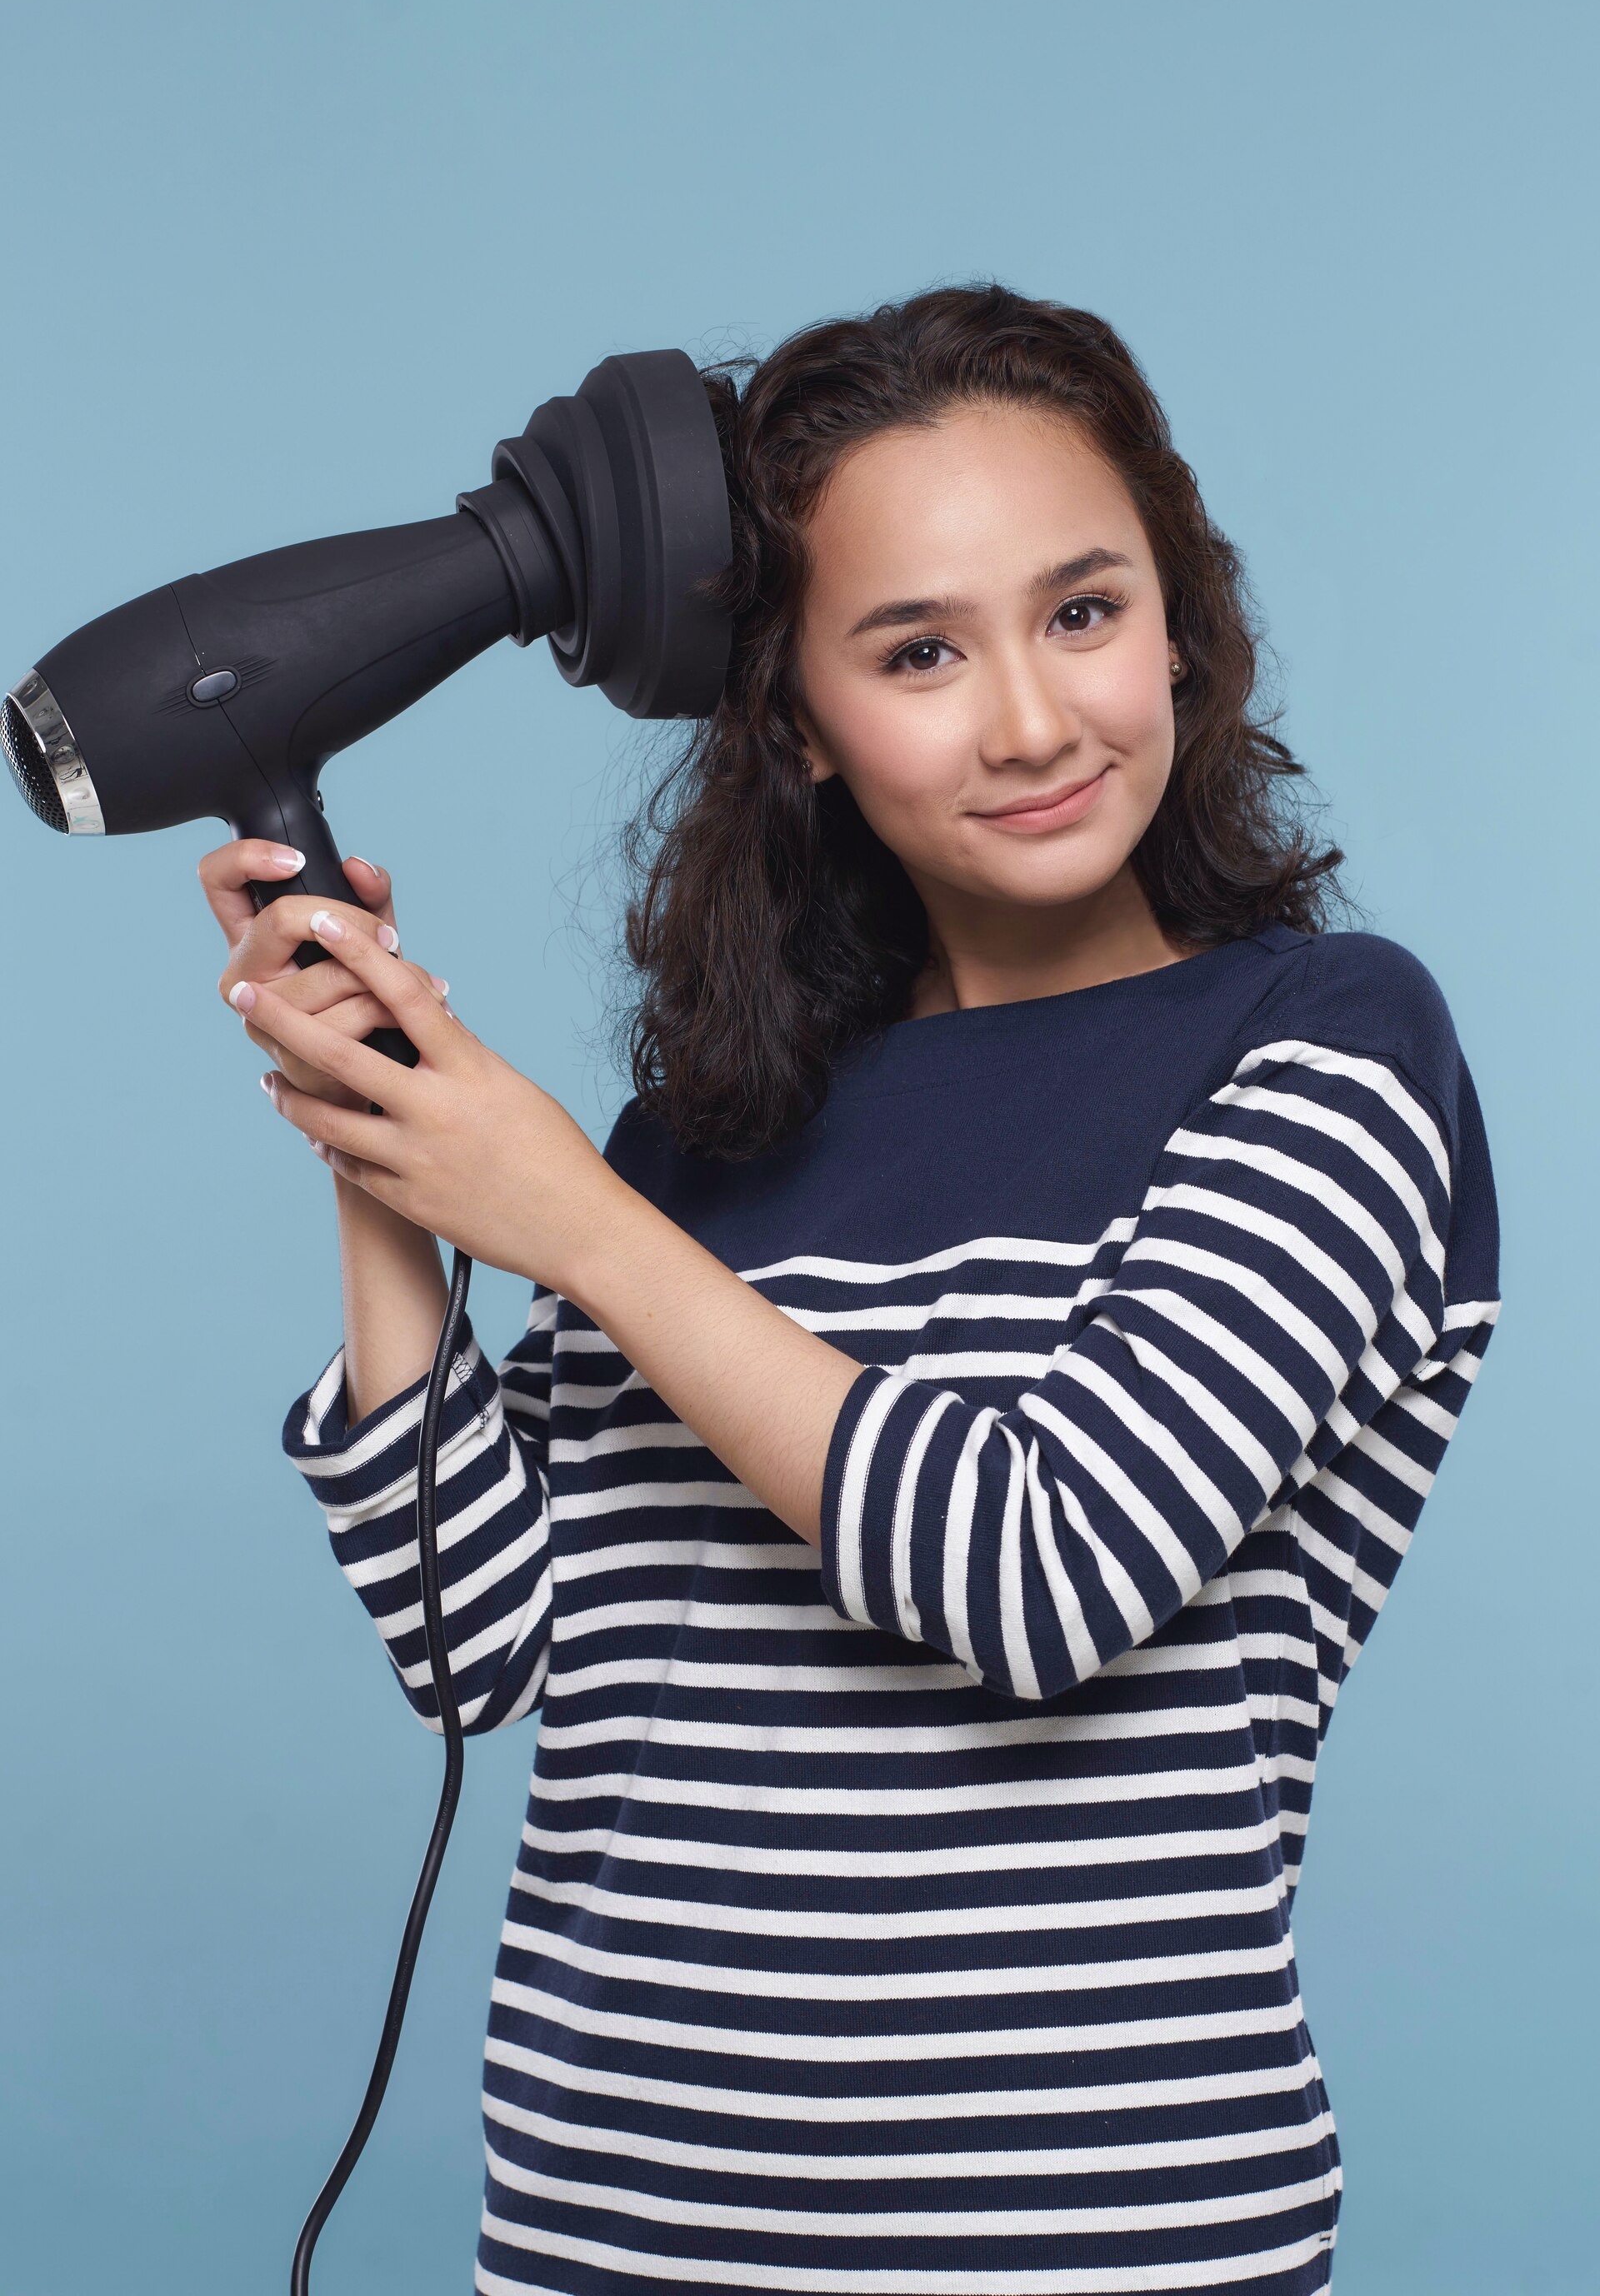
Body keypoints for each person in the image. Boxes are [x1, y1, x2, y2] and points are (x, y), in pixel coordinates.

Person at [201, 286, 1499, 2295]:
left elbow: (1044, 1574)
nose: (1035, 720)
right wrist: (380, 1127)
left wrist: (567, 1218)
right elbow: (480, 1648)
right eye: (919, 649)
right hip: (607, 2229)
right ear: (798, 716)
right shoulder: (699, 1144)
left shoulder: (1326, 1046)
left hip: (1089, 2245)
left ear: (1184, 618)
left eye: (1085, 611)